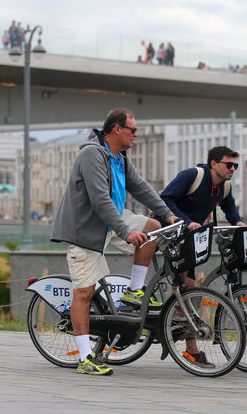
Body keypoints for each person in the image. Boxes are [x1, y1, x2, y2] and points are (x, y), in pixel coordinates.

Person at [50, 108, 178, 376]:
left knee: (151, 229)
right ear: (116, 129)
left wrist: (167, 214)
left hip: (110, 221)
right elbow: (99, 199)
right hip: (84, 228)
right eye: (133, 130)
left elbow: (141, 187)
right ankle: (86, 358)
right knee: (84, 292)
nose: (136, 135)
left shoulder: (119, 156)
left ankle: (134, 290)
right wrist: (124, 231)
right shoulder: (91, 154)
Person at [159, 145, 245, 369]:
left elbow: (229, 207)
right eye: (229, 164)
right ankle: (186, 340)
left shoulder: (223, 187)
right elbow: (164, 200)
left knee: (189, 289)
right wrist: (185, 222)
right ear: (214, 164)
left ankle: (182, 332)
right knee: (187, 285)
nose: (233, 169)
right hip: (169, 231)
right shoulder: (192, 176)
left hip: (192, 236)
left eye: (235, 165)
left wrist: (237, 222)